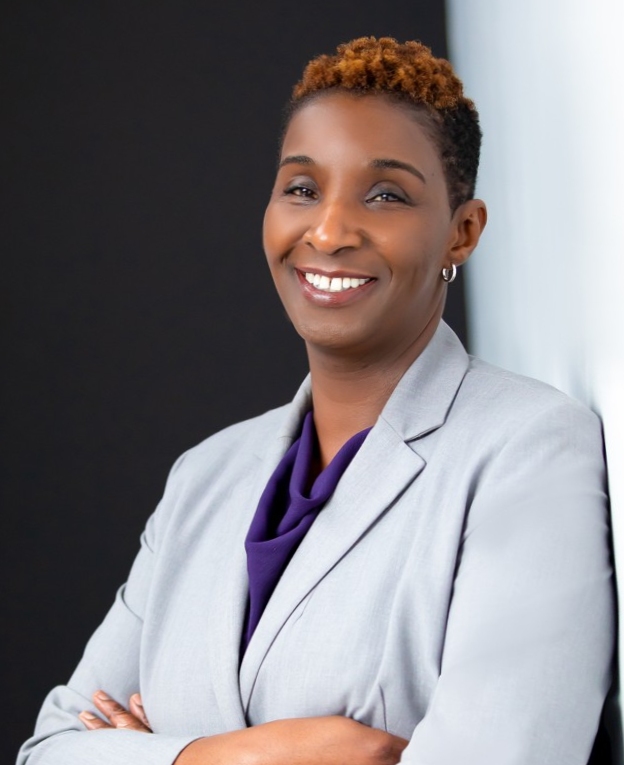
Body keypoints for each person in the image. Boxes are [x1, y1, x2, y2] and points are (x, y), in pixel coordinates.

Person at [17, 37, 614, 765]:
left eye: (386, 195)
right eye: (301, 188)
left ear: (462, 233)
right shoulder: (204, 476)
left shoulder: (528, 450)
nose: (328, 232)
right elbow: (49, 749)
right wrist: (233, 756)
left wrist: (152, 750)